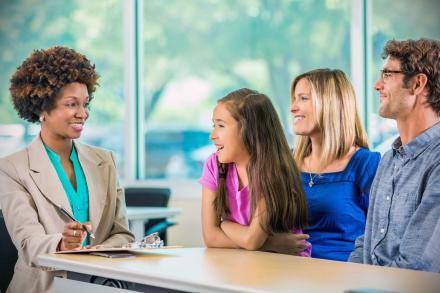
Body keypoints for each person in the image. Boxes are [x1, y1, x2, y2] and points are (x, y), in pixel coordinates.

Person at [0, 46, 134, 292]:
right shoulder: (11, 169)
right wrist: (62, 244)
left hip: (97, 286)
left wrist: (94, 255)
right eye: (72, 104)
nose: (82, 113)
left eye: (85, 104)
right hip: (43, 287)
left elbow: (122, 233)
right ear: (42, 108)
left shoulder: (106, 161)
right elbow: (29, 243)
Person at [349, 38, 440, 273]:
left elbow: (418, 265)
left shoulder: (437, 162)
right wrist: (349, 282)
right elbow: (365, 243)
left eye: (388, 75)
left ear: (418, 83)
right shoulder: (389, 159)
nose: (377, 85)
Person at [199, 88, 311, 256]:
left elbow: (252, 241)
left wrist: (224, 225)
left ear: (250, 129)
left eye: (221, 125)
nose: (212, 135)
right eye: (213, 125)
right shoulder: (213, 165)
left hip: (285, 266)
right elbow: (211, 238)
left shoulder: (273, 171)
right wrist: (272, 243)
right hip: (247, 260)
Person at [290, 69, 380, 261]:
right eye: (294, 98)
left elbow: (383, 236)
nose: (293, 107)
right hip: (290, 273)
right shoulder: (289, 163)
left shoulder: (366, 164)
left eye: (303, 98)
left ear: (331, 104)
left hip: (343, 275)